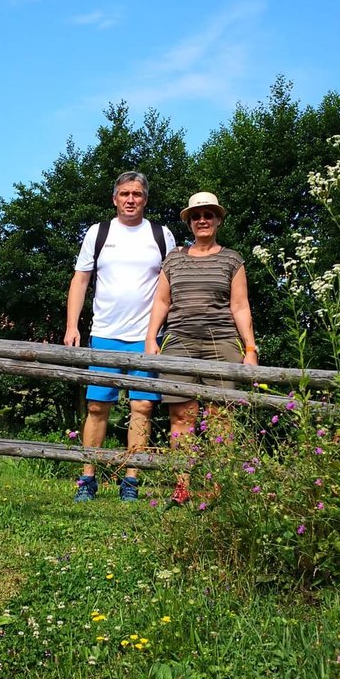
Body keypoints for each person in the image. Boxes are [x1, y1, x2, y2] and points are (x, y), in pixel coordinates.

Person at [64, 171, 176, 502]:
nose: (131, 199)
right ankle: (87, 479)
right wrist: (73, 326)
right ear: (114, 198)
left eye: (137, 194)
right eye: (125, 193)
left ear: (145, 199)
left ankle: (131, 481)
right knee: (98, 407)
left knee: (142, 406)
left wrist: (162, 332)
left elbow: (171, 285)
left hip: (148, 338)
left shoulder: (161, 235)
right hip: (104, 334)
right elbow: (80, 279)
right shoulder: (98, 233)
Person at [144, 191, 258, 507]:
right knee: (181, 415)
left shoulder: (231, 259)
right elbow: (162, 301)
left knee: (221, 417)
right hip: (178, 342)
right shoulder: (174, 259)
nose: (202, 220)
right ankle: (182, 487)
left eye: (208, 214)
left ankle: (220, 487)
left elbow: (239, 305)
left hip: (221, 342)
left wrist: (250, 348)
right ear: (190, 222)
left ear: (218, 219)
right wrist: (152, 338)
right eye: (196, 216)